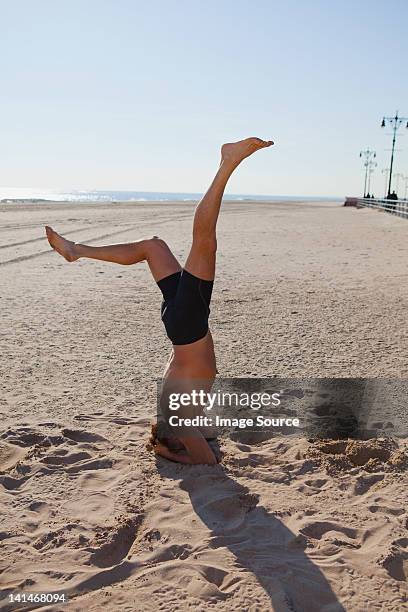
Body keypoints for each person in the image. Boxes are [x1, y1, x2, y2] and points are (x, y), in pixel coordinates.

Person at [45, 137, 273, 464]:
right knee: (152, 247)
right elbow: (206, 433)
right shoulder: (171, 409)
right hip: (181, 327)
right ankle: (76, 250)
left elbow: (208, 461)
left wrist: (168, 452)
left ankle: (228, 163)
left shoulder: (178, 417)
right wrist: (169, 441)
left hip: (188, 327)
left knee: (204, 242)